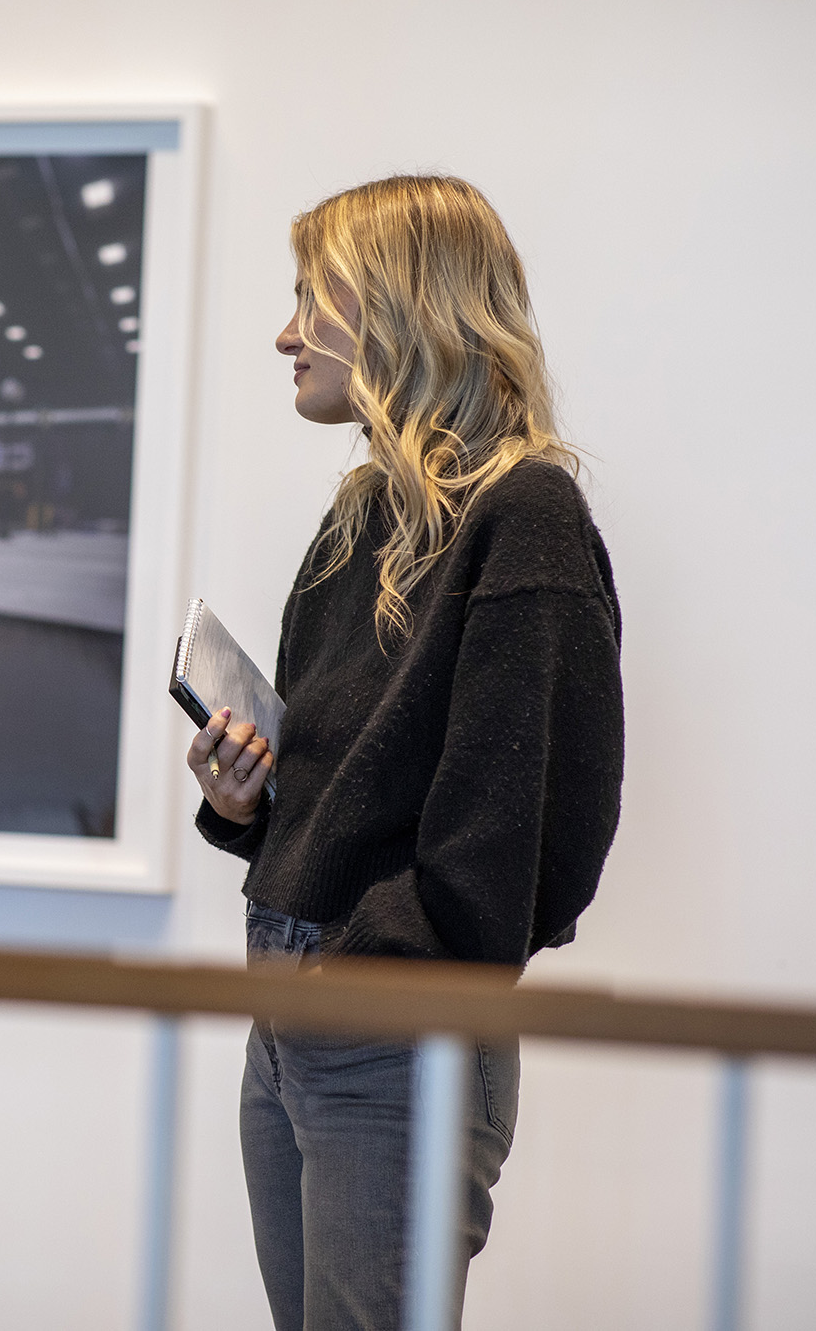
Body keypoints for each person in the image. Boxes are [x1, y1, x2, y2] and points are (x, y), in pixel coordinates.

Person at [186, 175, 624, 1329]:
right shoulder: (359, 513)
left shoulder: (523, 511)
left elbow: (531, 824)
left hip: (392, 1023)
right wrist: (246, 797)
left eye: (307, 299)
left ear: (395, 304)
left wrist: (370, 960)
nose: (284, 334)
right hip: (286, 1013)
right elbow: (339, 777)